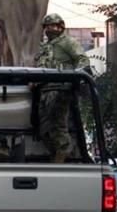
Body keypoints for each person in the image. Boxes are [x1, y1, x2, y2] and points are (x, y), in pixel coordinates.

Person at [34, 13, 90, 163]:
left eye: (53, 25)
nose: (49, 29)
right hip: (44, 91)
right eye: (47, 26)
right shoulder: (45, 48)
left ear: (61, 27)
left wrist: (74, 79)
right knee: (44, 129)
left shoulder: (68, 43)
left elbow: (83, 61)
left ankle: (63, 154)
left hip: (61, 90)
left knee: (57, 125)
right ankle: (57, 154)